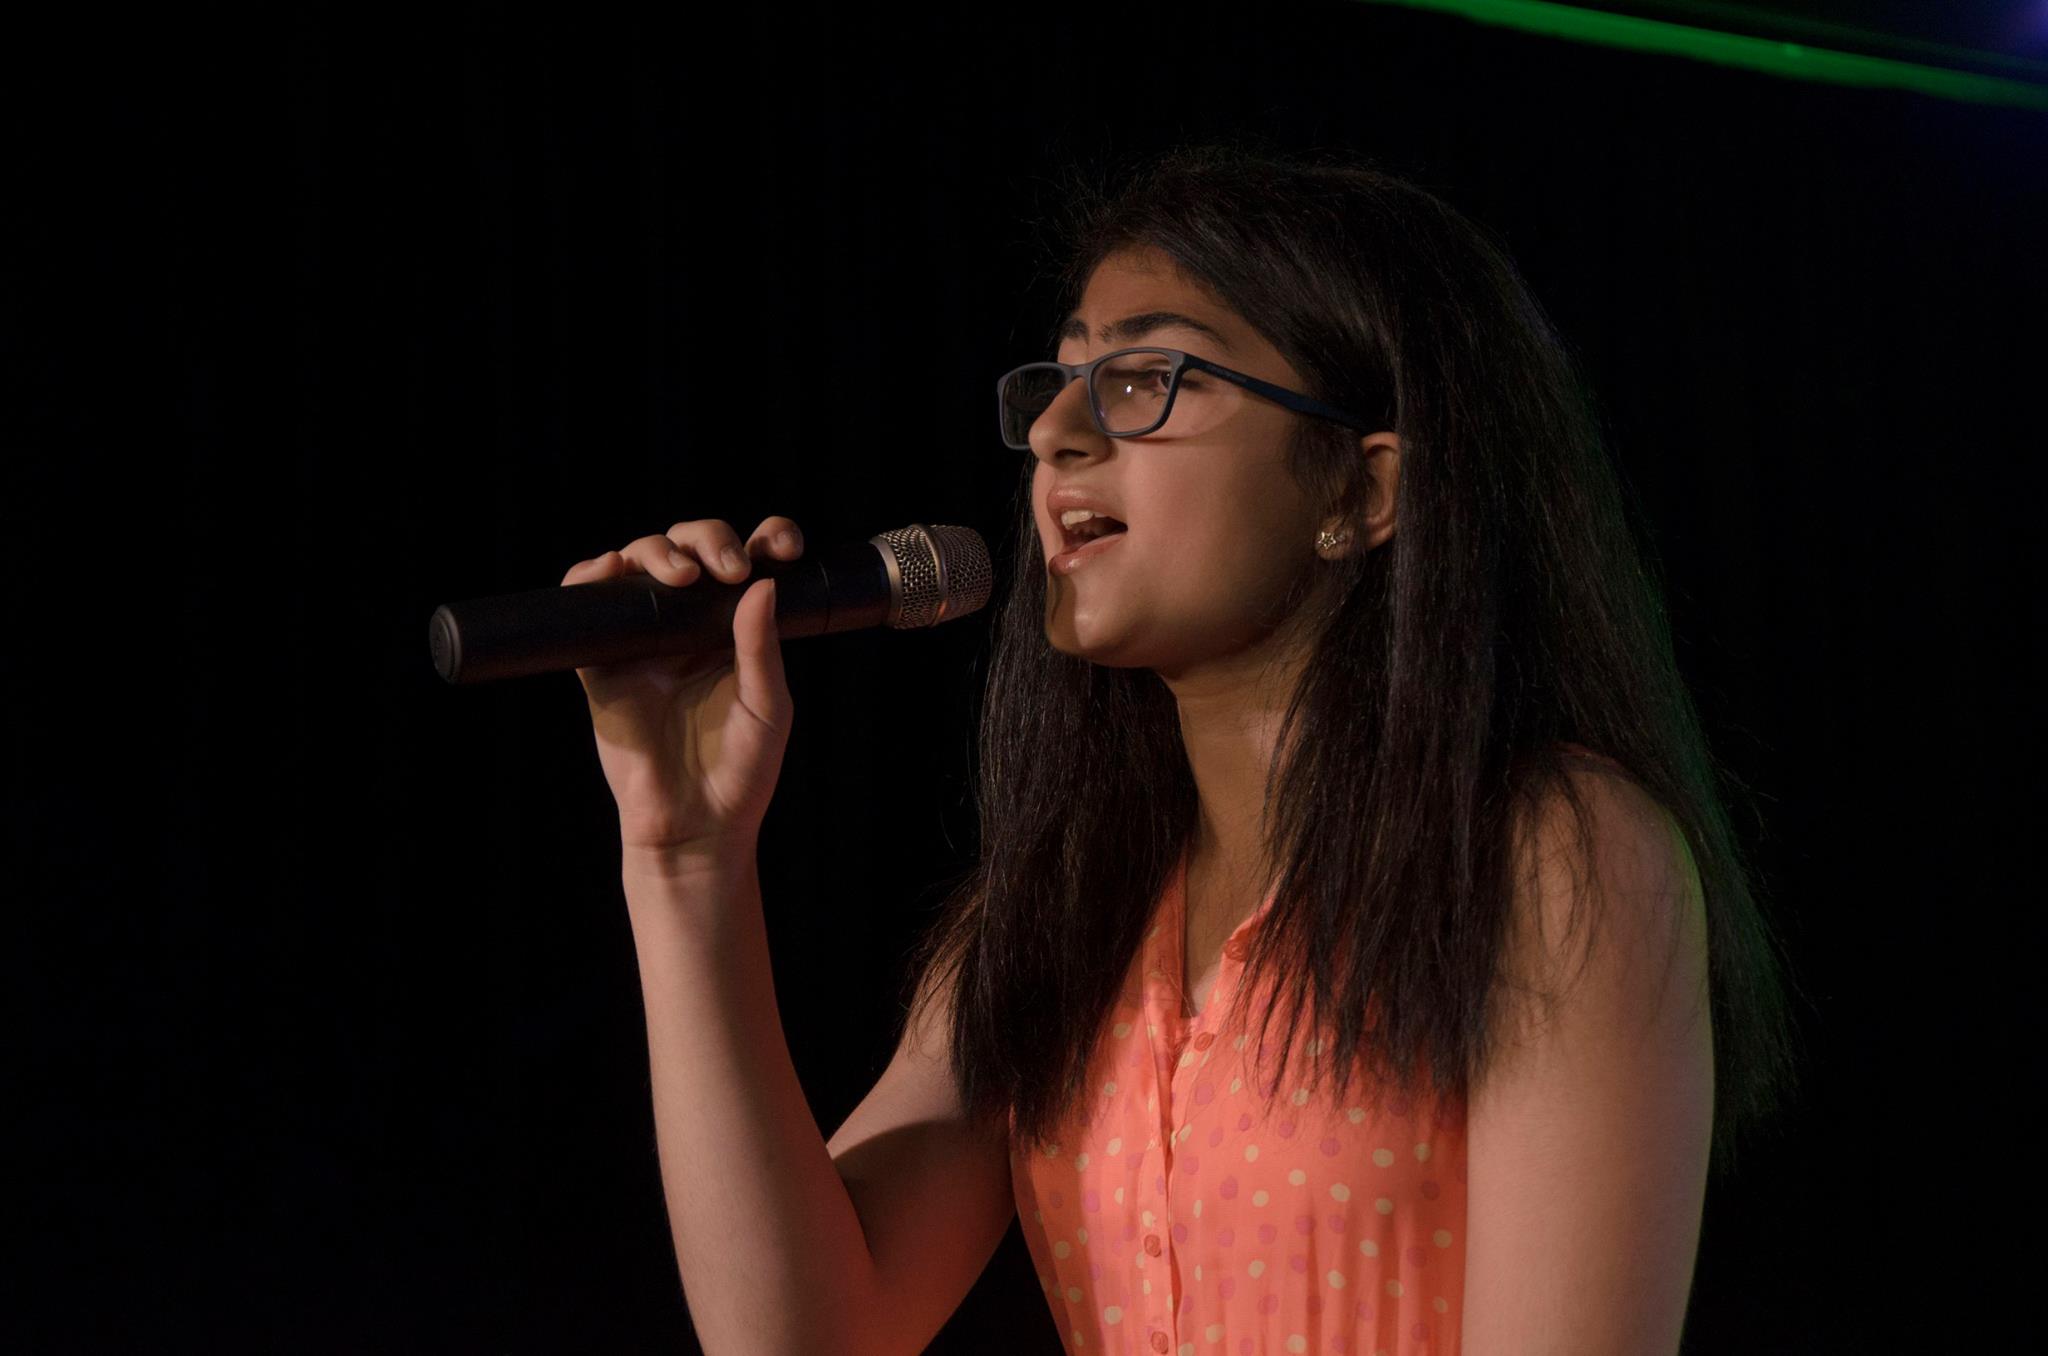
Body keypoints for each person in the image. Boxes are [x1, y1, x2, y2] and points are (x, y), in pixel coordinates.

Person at [558, 142, 1802, 1356]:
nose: (1052, 433)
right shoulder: (1048, 919)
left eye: (1147, 379)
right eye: (1057, 381)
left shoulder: (1551, 860)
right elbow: (804, 1332)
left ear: (1362, 493)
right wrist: (683, 863)